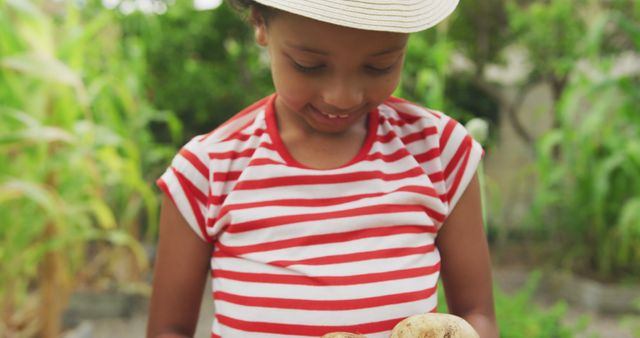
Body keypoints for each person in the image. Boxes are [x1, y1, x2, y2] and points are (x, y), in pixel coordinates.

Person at [147, 0, 498, 337]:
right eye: (308, 64)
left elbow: (476, 314)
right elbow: (169, 330)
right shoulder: (208, 170)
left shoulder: (439, 152)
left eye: (379, 66)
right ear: (259, 23)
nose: (341, 97)